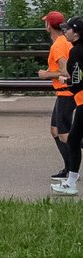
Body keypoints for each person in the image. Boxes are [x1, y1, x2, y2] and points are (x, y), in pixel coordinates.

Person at [37, 11, 72, 180]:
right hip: (66, 93)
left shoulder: (58, 45)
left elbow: (65, 72)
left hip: (66, 93)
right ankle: (69, 167)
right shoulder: (67, 40)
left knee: (64, 134)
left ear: (49, 25)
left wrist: (45, 74)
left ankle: (71, 169)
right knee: (55, 130)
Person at [52, 16, 83, 196]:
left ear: (77, 34)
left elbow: (78, 81)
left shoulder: (76, 52)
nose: (65, 31)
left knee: (72, 140)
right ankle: (70, 181)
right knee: (73, 139)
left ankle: (71, 183)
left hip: (82, 101)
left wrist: (66, 82)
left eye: (69, 29)